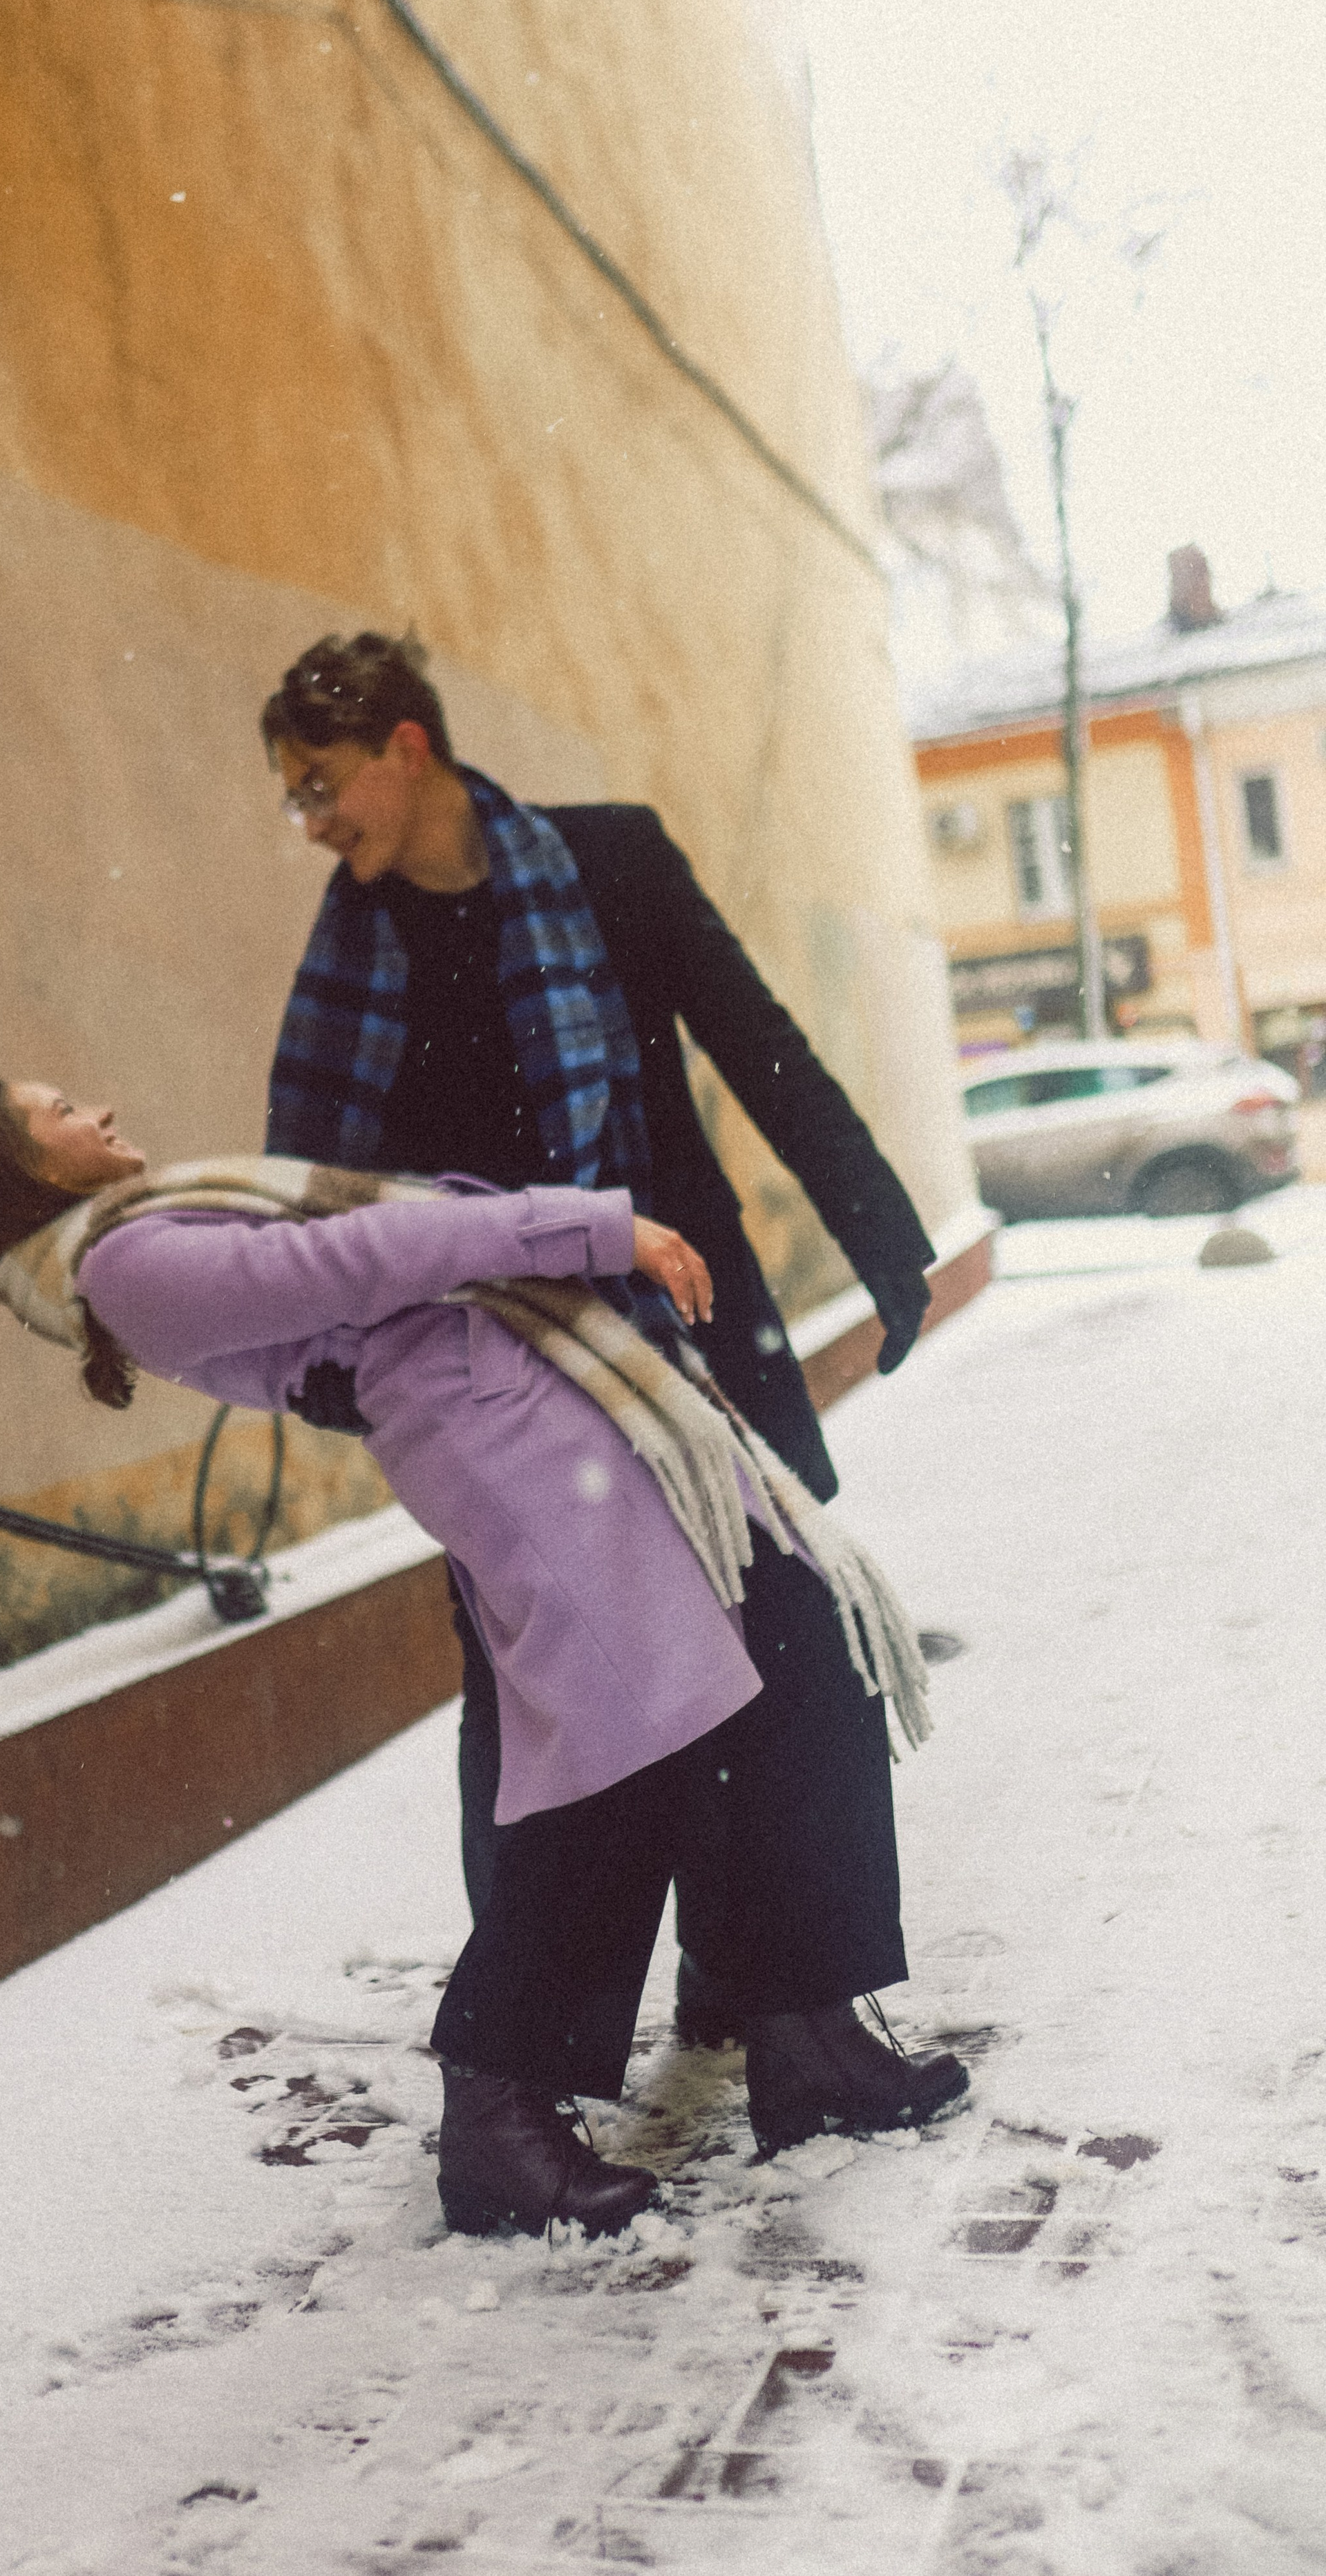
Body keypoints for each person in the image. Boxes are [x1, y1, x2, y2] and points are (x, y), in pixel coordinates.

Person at [0, 1080, 968, 2238]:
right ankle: (499, 2120)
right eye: (58, 1109)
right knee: (617, 1771)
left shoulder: (145, 1231)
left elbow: (363, 1264)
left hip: (547, 1414)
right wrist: (595, 1228)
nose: (96, 1106)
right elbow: (367, 1256)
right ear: (20, 1168)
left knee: (790, 1665)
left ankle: (806, 2032)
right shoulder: (122, 1267)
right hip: (507, 1444)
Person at [259, 633, 940, 2041]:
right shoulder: (356, 956)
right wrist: (327, 1355)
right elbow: (317, 1193)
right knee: (529, 1685)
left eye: (322, 784)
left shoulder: (609, 865)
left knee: (776, 1632)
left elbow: (758, 1044)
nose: (312, 824)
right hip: (496, 1374)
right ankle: (515, 2062)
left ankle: (760, 1991)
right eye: (293, 799)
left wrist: (881, 1237)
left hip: (678, 1314)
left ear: (406, 746)